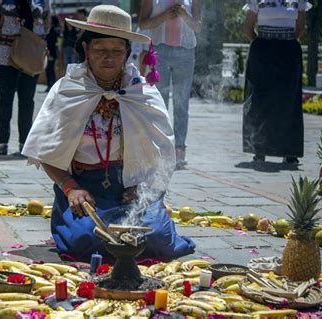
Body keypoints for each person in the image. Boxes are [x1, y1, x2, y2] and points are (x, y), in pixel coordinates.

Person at [22, 5, 195, 260]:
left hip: (131, 190)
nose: (109, 58)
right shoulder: (67, 90)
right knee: (88, 238)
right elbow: (46, 151)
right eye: (100, 50)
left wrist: (146, 187)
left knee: (154, 237)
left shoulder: (141, 92)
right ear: (86, 50)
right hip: (85, 190)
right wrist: (70, 188)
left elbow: (164, 151)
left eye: (116, 51)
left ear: (127, 53)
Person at [242, 0, 310, 164]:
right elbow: (247, 28)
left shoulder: (298, 1)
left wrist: (283, 43)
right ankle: (259, 148)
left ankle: (289, 150)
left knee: (289, 100)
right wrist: (264, 44)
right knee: (260, 100)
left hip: (288, 52)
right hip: (263, 51)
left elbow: (300, 28)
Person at [0, 0, 51, 156]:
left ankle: (24, 142)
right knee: (5, 97)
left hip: (29, 53)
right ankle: (3, 142)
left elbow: (47, 24)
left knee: (27, 99)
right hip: (5, 53)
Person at [139, 0, 202, 169]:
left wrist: (184, 14)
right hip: (160, 50)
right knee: (159, 103)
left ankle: (180, 149)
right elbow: (143, 23)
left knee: (182, 103)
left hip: (186, 52)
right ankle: (160, 149)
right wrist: (164, 16)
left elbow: (197, 27)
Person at [44, 15, 60, 93]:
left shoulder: (55, 30)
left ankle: (52, 85)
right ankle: (48, 85)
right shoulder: (47, 30)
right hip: (46, 53)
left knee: (51, 70)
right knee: (47, 70)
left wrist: (51, 54)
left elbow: (54, 44)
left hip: (52, 53)